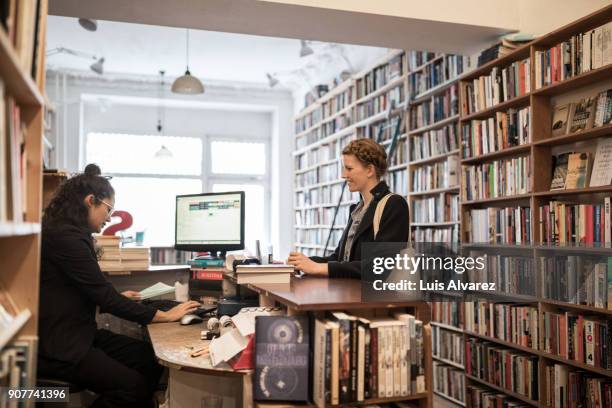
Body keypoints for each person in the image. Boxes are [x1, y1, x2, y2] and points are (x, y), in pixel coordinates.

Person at [38, 163, 200, 408]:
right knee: (131, 389)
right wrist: (163, 315)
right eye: (109, 208)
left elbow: (84, 289)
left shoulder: (68, 232)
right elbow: (104, 296)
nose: (110, 217)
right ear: (90, 201)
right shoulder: (66, 238)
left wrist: (116, 296)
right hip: (61, 346)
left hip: (79, 334)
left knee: (149, 359)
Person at [288, 138, 409, 279]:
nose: (343, 175)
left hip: (378, 299)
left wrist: (319, 268)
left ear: (370, 170)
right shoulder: (358, 209)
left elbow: (380, 266)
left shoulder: (394, 204)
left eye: (349, 168)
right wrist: (304, 263)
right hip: (353, 295)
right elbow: (341, 260)